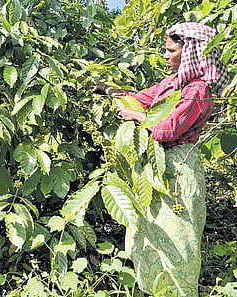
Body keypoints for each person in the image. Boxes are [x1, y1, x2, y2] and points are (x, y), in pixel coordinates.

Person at [94, 23, 229, 296]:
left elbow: (167, 129)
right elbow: (139, 99)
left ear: (190, 52)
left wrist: (139, 118)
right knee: (151, 229)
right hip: (153, 166)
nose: (165, 56)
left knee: (178, 237)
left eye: (171, 50)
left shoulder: (198, 90)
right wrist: (106, 90)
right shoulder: (172, 83)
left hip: (178, 168)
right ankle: (151, 289)